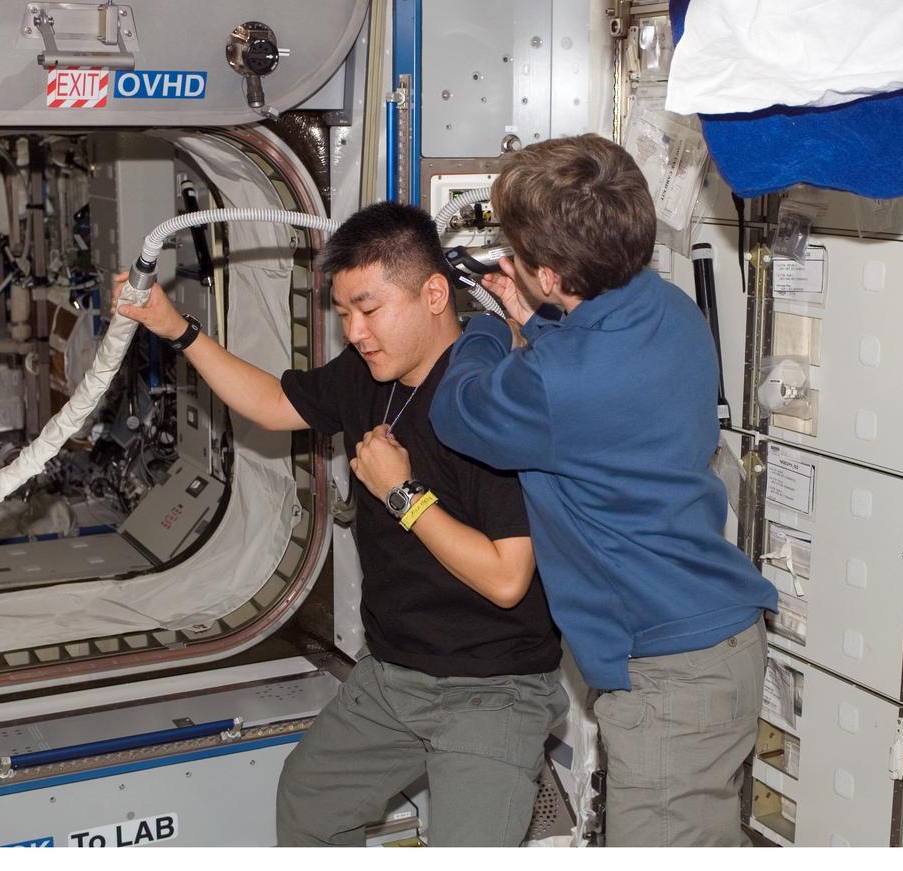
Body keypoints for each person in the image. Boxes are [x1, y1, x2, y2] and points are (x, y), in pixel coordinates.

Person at [112, 201, 565, 847]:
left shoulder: (486, 395)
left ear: (434, 293)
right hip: (395, 675)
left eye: (369, 308)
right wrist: (175, 328)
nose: (354, 330)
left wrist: (403, 494)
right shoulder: (367, 375)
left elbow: (507, 577)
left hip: (492, 689)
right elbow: (273, 404)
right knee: (309, 805)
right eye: (344, 312)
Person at [428, 134, 778, 847]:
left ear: (551, 276)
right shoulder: (670, 308)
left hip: (672, 677)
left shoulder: (558, 383)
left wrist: (484, 332)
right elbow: (594, 371)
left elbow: (456, 409)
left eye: (520, 260)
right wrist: (540, 327)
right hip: (715, 639)